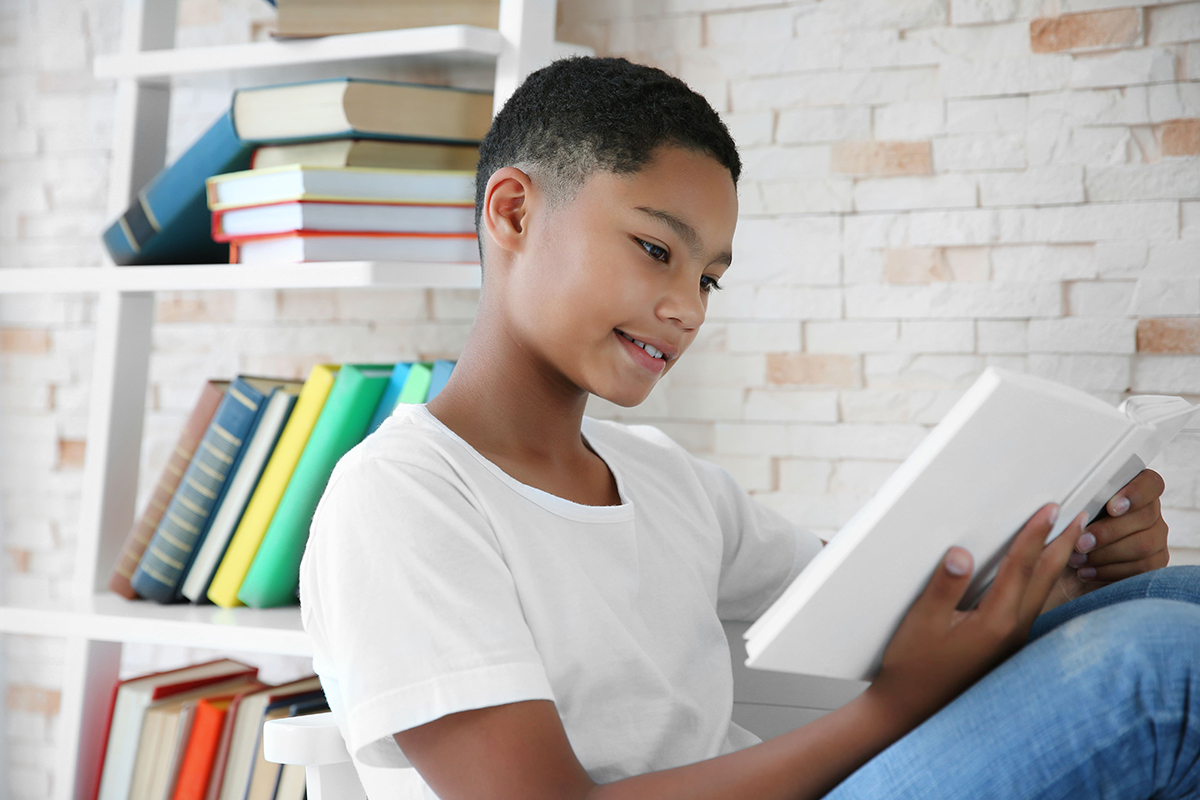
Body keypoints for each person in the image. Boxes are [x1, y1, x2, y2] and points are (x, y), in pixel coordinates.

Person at [298, 56, 1200, 799]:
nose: (687, 308)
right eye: (656, 249)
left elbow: (885, 610)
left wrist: (1075, 564)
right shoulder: (400, 498)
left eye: (709, 278)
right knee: (1160, 671)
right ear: (513, 212)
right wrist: (888, 711)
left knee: (1174, 603)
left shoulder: (662, 479)